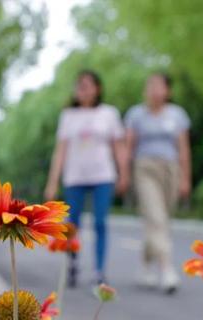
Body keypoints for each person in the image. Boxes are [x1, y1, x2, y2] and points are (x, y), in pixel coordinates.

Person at [45, 70, 127, 286]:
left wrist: (124, 173)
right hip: (75, 177)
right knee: (73, 224)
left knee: (100, 222)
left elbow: (119, 146)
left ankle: (99, 271)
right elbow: (60, 150)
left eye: (87, 85)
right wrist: (52, 182)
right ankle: (72, 263)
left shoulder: (109, 113)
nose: (83, 89)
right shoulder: (68, 116)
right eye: (79, 85)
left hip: (103, 175)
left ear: (97, 88)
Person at [122, 73, 192, 294]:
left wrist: (185, 178)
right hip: (145, 169)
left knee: (160, 221)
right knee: (156, 218)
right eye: (150, 85)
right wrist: (123, 175)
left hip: (171, 169)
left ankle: (145, 265)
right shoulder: (136, 115)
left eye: (158, 86)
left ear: (167, 91)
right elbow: (128, 148)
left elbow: (184, 149)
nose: (153, 90)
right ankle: (167, 269)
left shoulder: (177, 115)